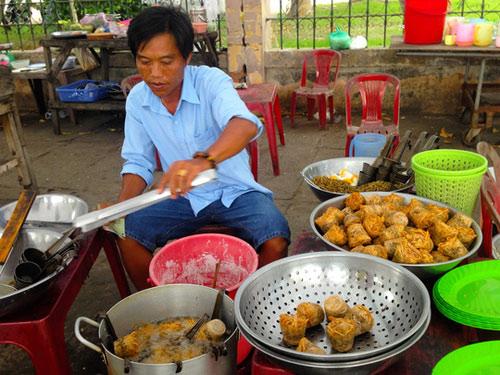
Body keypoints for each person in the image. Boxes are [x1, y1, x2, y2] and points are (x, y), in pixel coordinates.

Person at [115, 6, 290, 290]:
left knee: (276, 238)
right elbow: (137, 162)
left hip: (235, 191)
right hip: (182, 197)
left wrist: (203, 161)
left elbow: (244, 125)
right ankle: (159, 308)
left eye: (167, 61)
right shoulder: (137, 99)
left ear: (186, 58)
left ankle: (252, 308)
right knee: (127, 234)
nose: (155, 74)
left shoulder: (211, 82)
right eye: (144, 62)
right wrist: (121, 206)